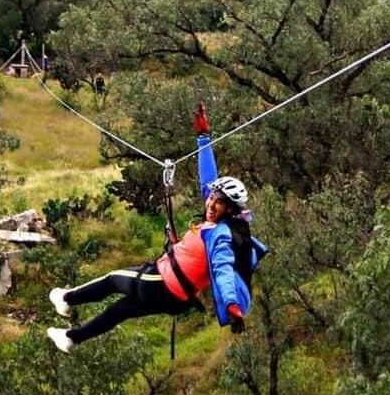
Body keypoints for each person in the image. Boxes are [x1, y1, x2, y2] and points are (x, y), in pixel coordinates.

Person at [46, 102, 268, 353]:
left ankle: (65, 299)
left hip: (160, 282)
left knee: (111, 281)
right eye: (212, 198)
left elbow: (223, 268)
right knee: (118, 311)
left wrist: (231, 304)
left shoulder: (222, 235)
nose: (211, 203)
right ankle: (72, 338)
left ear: (230, 209)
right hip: (175, 297)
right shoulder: (216, 220)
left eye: (219, 202)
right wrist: (203, 138)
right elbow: (208, 180)